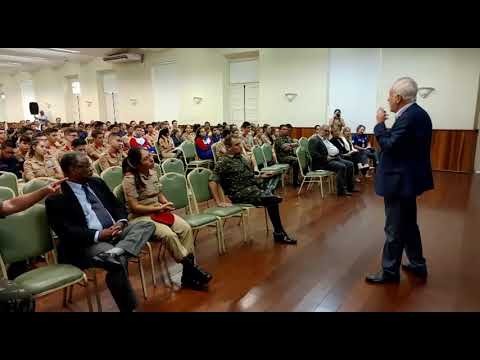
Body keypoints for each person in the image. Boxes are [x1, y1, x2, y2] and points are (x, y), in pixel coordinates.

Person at [45, 152, 156, 312]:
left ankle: (116, 252)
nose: (92, 168)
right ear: (72, 169)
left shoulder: (97, 182)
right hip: (87, 243)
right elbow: (66, 232)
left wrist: (121, 222)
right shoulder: (56, 196)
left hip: (116, 233)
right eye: (86, 166)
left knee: (146, 225)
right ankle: (129, 308)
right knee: (117, 264)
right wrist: (98, 234)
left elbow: (117, 205)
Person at [366, 77, 433, 284]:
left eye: (389, 96)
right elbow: (399, 144)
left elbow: (390, 145)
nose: (388, 100)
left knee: (394, 228)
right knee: (409, 225)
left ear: (398, 97)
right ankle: (417, 264)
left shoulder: (409, 117)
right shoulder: (418, 114)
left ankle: (389, 272)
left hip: (399, 180)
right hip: (407, 180)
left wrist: (379, 125)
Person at [122, 148, 212, 291]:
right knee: (169, 235)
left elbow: (159, 193)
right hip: (141, 218)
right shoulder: (130, 179)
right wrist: (157, 208)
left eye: (150, 156)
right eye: (146, 158)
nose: (151, 159)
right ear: (136, 164)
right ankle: (192, 268)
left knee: (185, 228)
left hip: (158, 210)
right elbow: (134, 207)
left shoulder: (153, 172)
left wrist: (165, 203)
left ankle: (187, 275)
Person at [210, 135, 296, 245]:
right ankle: (279, 234)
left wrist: (261, 176)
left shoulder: (241, 158)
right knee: (272, 200)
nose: (240, 147)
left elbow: (249, 176)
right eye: (236, 145)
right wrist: (218, 202)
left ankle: (269, 195)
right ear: (228, 147)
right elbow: (212, 181)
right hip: (240, 194)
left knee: (274, 182)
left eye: (240, 144)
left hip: (252, 188)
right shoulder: (223, 162)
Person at [308, 125, 357, 196]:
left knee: (350, 164)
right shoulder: (314, 139)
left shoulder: (325, 139)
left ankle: (350, 187)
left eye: (328, 131)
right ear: (320, 130)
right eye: (325, 131)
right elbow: (313, 154)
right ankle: (341, 191)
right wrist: (326, 157)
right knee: (341, 166)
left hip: (333, 158)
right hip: (321, 163)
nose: (328, 133)